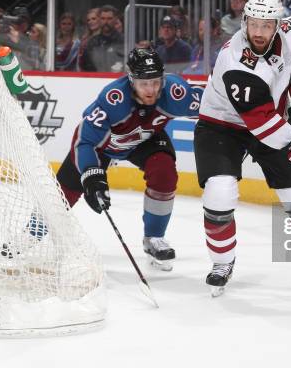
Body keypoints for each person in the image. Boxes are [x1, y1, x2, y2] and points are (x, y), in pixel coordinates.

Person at [194, 0, 291, 296]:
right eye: (253, 24)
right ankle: (222, 262)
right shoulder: (235, 63)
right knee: (219, 194)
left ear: (278, 24)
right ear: (244, 22)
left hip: (268, 117)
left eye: (266, 25)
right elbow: (266, 129)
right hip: (222, 126)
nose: (258, 32)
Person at [55, 48, 202, 271]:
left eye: (155, 82)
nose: (151, 90)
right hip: (102, 148)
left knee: (164, 173)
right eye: (144, 83)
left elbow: (214, 106)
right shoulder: (114, 99)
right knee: (64, 193)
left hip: (145, 140)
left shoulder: (175, 92)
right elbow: (84, 141)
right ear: (131, 80)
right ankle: (30, 234)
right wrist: (92, 175)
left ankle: (153, 238)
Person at [79, 5, 125, 72]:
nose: (106, 22)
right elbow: (85, 67)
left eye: (109, 18)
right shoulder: (91, 43)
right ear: (99, 20)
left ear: (115, 19)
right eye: (103, 18)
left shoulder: (125, 41)